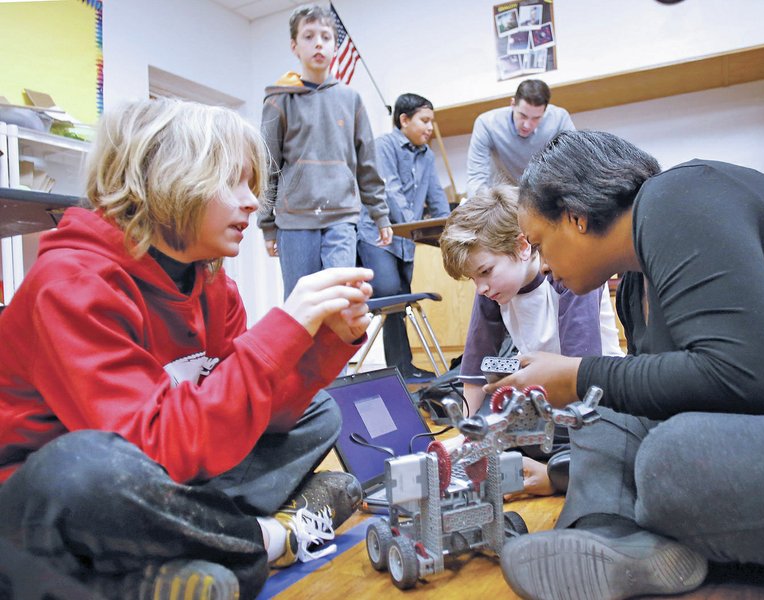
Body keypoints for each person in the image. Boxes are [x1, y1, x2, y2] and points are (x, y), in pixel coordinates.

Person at [0, 98, 376, 600]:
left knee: (318, 410)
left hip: (164, 481)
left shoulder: (213, 285)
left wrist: (325, 341)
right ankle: (267, 538)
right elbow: (148, 451)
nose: (252, 203)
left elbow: (244, 412)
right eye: (233, 183)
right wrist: (284, 326)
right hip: (49, 507)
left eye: (253, 186)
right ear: (168, 181)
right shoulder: (69, 283)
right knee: (81, 465)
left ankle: (178, 553)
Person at [493, 130, 764, 600]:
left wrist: (577, 374)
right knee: (601, 414)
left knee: (673, 460)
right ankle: (608, 538)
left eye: (539, 241)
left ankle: (648, 542)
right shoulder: (635, 286)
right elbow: (662, 397)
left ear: (575, 216)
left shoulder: (679, 196)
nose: (544, 264)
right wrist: (578, 407)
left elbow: (744, 377)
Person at [438, 184, 623, 497]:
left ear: (522, 247)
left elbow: (579, 372)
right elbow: (473, 371)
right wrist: (467, 431)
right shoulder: (492, 291)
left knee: (579, 444)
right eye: (473, 279)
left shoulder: (568, 277)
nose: (480, 287)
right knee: (489, 427)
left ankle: (566, 469)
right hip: (544, 399)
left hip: (594, 396)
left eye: (485, 271)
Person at [258, 3, 392, 299]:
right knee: (300, 305)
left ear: (334, 44)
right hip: (294, 222)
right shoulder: (279, 101)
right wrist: (267, 225)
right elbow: (267, 168)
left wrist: (380, 214)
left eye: (326, 37)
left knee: (339, 301)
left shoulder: (351, 99)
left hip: (341, 218)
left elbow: (367, 164)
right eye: (308, 36)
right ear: (294, 46)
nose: (318, 43)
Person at [357, 93, 451, 382]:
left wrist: (451, 227)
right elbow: (391, 191)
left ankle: (402, 368)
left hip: (406, 241)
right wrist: (413, 224)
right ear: (404, 120)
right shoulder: (383, 146)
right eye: (424, 121)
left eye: (431, 122)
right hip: (378, 235)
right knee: (390, 293)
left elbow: (436, 194)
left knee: (401, 299)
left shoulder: (426, 155)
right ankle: (393, 368)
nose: (429, 128)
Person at [465, 79, 574, 198]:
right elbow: (476, 178)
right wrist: (479, 209)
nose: (527, 125)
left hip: (545, 192)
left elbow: (574, 163)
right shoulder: (486, 123)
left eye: (536, 118)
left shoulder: (559, 119)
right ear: (512, 104)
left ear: (545, 111)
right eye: (523, 115)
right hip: (506, 195)